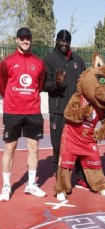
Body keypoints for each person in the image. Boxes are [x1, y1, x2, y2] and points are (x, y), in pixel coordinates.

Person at [0, 27, 46, 201]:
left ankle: (31, 185)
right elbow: (2, 84)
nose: (25, 40)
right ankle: (6, 186)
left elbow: (39, 85)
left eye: (28, 38)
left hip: (33, 112)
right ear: (16, 40)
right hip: (12, 112)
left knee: (33, 148)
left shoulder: (39, 63)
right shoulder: (7, 61)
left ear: (31, 40)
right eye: (22, 38)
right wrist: (13, 99)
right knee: (9, 149)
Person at [43, 29, 86, 187]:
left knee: (79, 143)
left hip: (75, 111)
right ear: (56, 40)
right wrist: (57, 84)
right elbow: (44, 85)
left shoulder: (78, 60)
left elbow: (84, 83)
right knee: (58, 144)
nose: (64, 44)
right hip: (58, 110)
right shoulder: (49, 60)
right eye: (61, 40)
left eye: (67, 41)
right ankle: (57, 171)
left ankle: (80, 175)